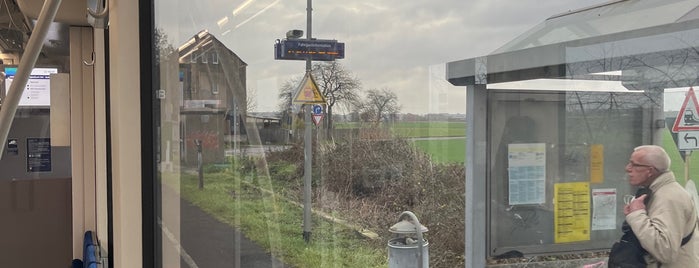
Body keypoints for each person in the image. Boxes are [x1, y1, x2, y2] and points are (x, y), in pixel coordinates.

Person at [623, 145, 699, 267]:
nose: (628, 168)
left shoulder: (669, 198)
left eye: (634, 165)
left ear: (650, 171)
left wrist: (636, 215)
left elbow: (665, 251)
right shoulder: (659, 192)